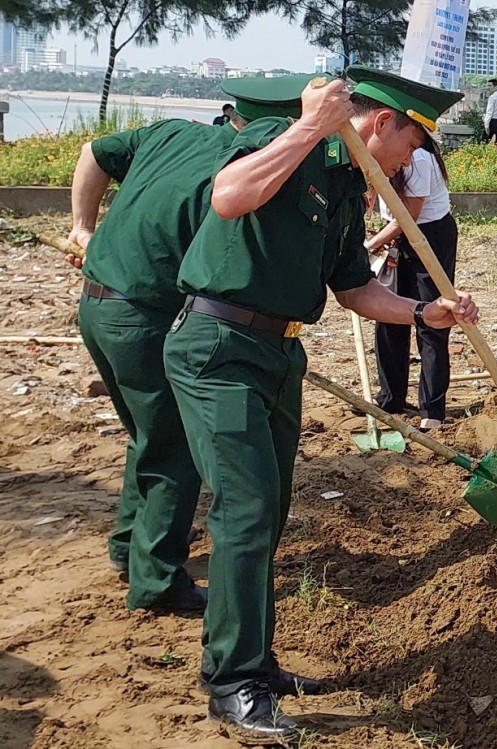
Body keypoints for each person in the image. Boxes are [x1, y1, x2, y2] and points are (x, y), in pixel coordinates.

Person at [163, 65, 477, 744]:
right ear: (380, 124)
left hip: (279, 354)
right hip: (220, 347)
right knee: (245, 510)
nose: (412, 162)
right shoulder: (289, 139)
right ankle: (233, 683)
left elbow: (357, 291)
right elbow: (229, 196)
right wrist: (310, 124)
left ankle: (255, 661)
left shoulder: (346, 191)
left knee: (268, 512)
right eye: (413, 146)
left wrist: (428, 312)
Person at [64, 77, 311, 614]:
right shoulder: (245, 169)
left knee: (148, 432)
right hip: (146, 316)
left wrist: (83, 229)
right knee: (173, 445)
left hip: (96, 305)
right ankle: (156, 580)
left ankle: (130, 546)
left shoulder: (172, 133)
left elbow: (93, 152)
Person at [365, 138, 456, 431]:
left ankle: (432, 410)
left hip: (429, 235)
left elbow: (408, 218)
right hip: (396, 235)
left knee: (432, 321)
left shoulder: (417, 159)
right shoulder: (378, 155)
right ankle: (390, 397)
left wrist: (370, 246)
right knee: (390, 314)